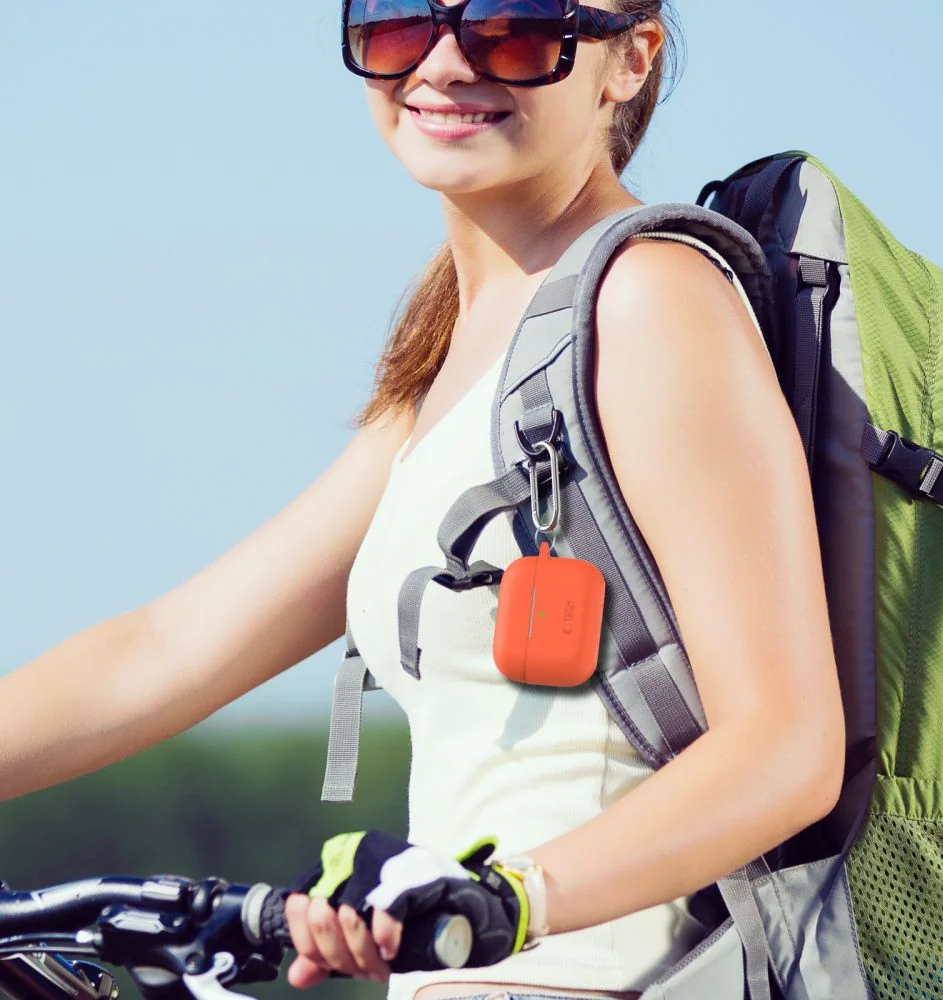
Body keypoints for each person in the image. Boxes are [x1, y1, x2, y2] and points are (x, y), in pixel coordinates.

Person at [0, 0, 846, 997]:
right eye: (399, 20)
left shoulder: (651, 296)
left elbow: (786, 746)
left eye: (511, 25)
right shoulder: (459, 345)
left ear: (628, 59)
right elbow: (171, 646)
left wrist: (508, 898)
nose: (442, 63)